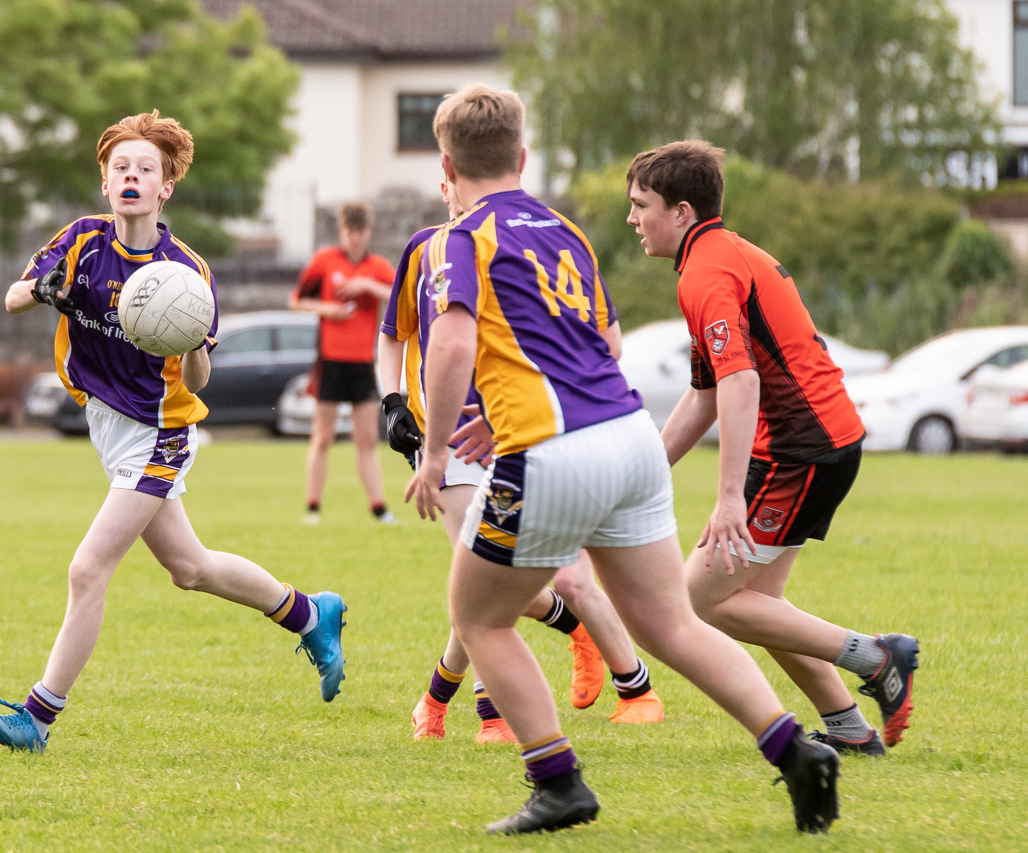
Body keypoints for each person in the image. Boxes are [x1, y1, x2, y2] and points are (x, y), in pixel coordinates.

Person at [405, 83, 841, 835]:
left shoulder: (457, 239)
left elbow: (450, 342)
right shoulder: (566, 231)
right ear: (523, 156)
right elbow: (604, 345)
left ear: (445, 163)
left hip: (552, 451)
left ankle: (559, 782)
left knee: (478, 617)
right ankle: (794, 747)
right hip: (631, 436)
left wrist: (438, 444)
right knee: (670, 622)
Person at [0, 110, 347, 754]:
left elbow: (198, 381)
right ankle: (310, 613)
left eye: (146, 169)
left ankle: (37, 717)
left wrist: (194, 340)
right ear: (105, 179)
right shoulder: (83, 241)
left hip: (161, 431)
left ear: (164, 187)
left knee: (88, 568)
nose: (132, 176)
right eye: (121, 166)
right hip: (106, 422)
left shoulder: (187, 273)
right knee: (190, 568)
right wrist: (45, 290)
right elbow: (12, 296)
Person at [624, 140, 920, 754]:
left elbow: (740, 380)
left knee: (698, 604)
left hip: (800, 450)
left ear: (680, 212)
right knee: (756, 603)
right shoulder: (717, 257)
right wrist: (641, 470)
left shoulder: (706, 272)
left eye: (640, 204)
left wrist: (729, 496)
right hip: (811, 444)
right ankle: (848, 729)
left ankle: (877, 657)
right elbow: (705, 394)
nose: (632, 219)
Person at [379, 181, 664, 744]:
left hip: (524, 429)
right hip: (450, 436)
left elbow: (590, 339)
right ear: (446, 181)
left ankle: (447, 700)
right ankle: (492, 715)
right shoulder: (426, 248)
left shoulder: (517, 244)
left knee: (520, 585)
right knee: (480, 573)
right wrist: (392, 402)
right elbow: (392, 336)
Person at [290, 203, 396, 525]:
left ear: (369, 233)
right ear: (342, 232)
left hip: (363, 361)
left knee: (366, 439)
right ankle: (313, 507)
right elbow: (296, 300)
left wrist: (367, 287)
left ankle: (379, 509)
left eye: (361, 232)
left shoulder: (377, 266)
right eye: (351, 232)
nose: (356, 238)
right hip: (331, 361)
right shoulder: (324, 261)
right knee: (323, 436)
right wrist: (328, 310)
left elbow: (399, 294)